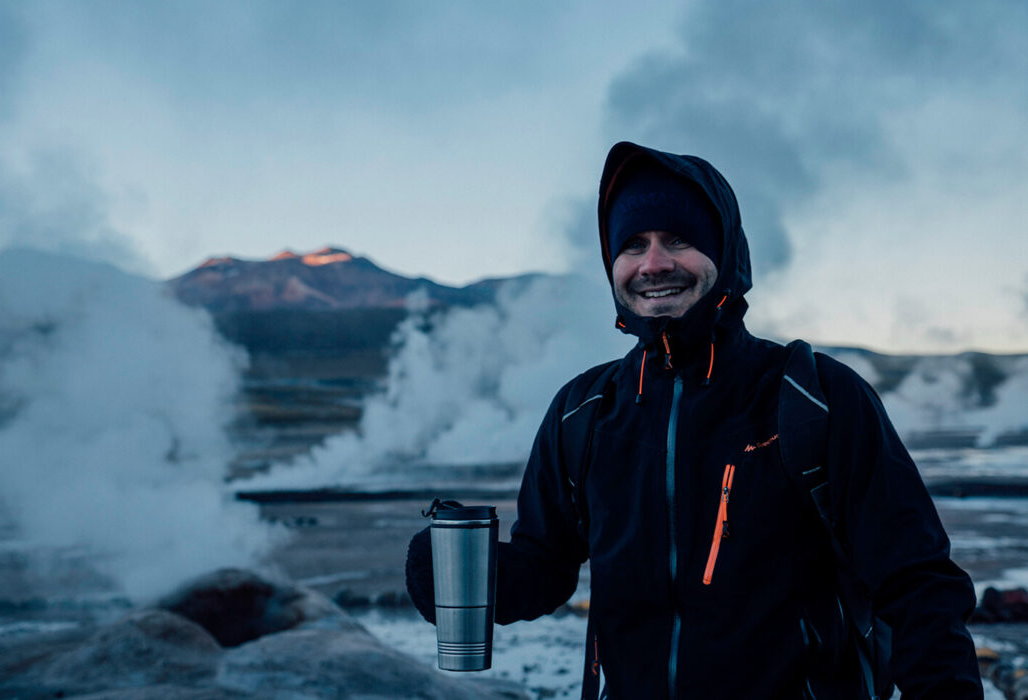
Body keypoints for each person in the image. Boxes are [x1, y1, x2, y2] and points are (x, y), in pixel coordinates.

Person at [406, 141, 983, 698]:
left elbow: (916, 583)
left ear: (725, 252)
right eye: (633, 245)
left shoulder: (815, 395)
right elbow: (544, 569)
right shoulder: (582, 411)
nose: (653, 263)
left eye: (677, 239)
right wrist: (455, 573)